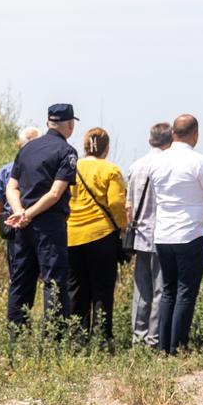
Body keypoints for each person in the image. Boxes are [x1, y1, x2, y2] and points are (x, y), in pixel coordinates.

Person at [150, 114, 203, 354]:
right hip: (190, 233)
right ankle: (178, 345)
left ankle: (163, 346)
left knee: (168, 291)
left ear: (173, 134)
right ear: (196, 135)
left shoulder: (158, 162)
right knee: (185, 292)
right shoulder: (198, 161)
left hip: (163, 235)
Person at [4, 104, 80, 336]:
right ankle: (55, 340)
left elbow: (11, 186)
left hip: (23, 227)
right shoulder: (67, 152)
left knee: (21, 281)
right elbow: (55, 194)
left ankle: (16, 337)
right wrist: (28, 214)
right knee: (54, 281)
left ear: (48, 123)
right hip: (49, 226)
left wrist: (19, 212)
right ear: (70, 125)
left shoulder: (26, 149)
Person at [66, 127, 128, 348]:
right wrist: (122, 225)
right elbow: (116, 203)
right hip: (102, 236)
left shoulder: (72, 167)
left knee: (76, 289)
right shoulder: (110, 169)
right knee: (102, 289)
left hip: (71, 235)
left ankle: (76, 340)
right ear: (107, 148)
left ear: (84, 146)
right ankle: (102, 340)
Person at [124, 122, 173, 349]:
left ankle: (138, 338)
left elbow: (128, 205)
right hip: (161, 234)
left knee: (141, 291)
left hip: (139, 234)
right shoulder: (167, 165)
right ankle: (154, 339)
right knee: (160, 290)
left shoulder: (136, 166)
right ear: (170, 141)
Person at [0, 126, 41, 230]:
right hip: (40, 227)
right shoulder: (46, 169)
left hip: (14, 227)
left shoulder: (4, 172)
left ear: (19, 145)